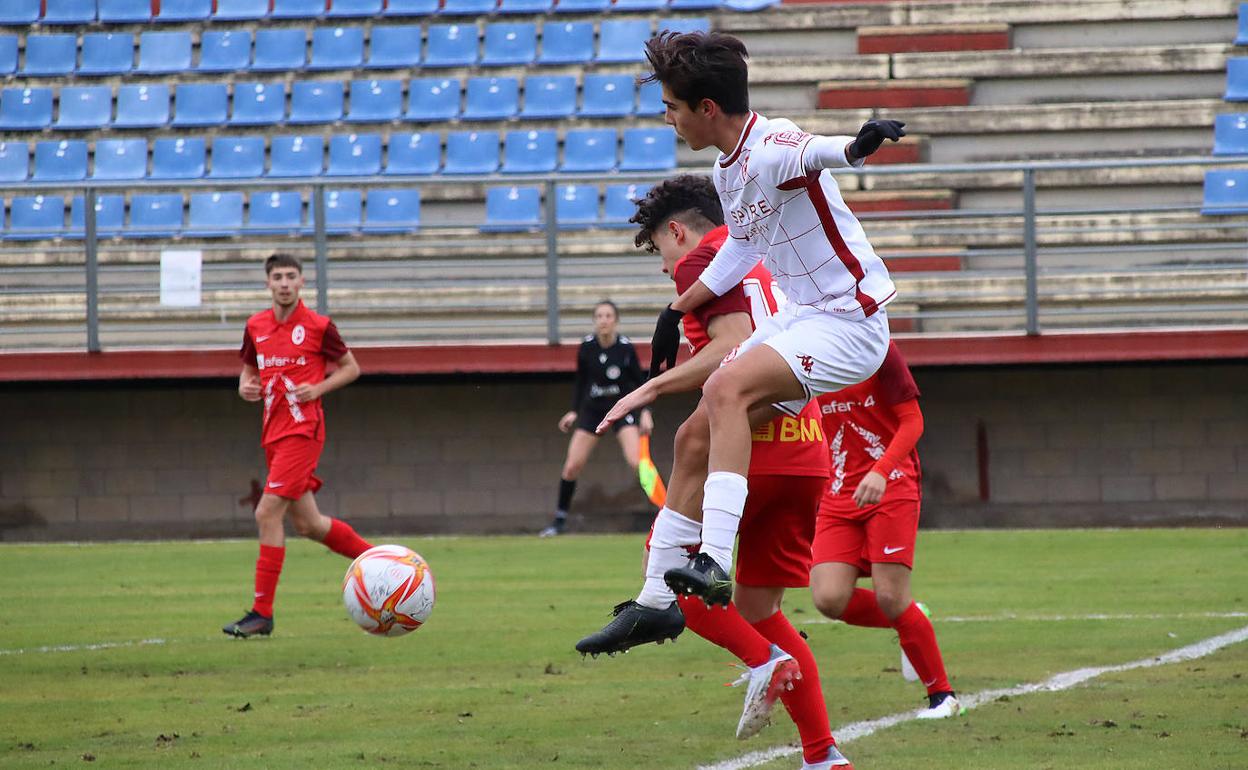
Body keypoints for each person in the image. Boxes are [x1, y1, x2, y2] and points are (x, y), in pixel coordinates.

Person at [598, 31, 905, 608]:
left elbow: (811, 151)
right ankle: (655, 603)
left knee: (726, 386)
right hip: (800, 316)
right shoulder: (726, 170)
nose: (669, 119)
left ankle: (713, 558)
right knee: (696, 428)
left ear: (706, 109)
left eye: (671, 107)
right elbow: (741, 248)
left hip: (849, 323)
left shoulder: (770, 146)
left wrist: (857, 147)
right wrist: (677, 308)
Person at [575, 176, 852, 770]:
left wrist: (644, 388)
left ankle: (764, 664)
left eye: (658, 248)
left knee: (682, 580)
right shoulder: (764, 250)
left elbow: (736, 346)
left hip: (747, 452)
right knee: (759, 611)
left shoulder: (704, 257)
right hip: (805, 447)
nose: (664, 267)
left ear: (677, 229)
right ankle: (823, 755)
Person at [222, 253, 374, 638]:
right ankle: (382, 561)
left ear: (302, 282)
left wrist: (317, 389)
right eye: (278, 277)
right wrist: (244, 387)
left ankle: (261, 613)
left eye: (291, 276)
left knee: (266, 513)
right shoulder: (255, 326)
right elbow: (248, 372)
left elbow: (352, 368)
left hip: (303, 432)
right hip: (272, 432)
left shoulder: (320, 326)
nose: (285, 283)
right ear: (268, 284)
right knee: (309, 524)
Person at [810, 342, 963, 719]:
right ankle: (914, 619)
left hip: (891, 485)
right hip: (838, 493)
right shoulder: (801, 354)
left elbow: (913, 421)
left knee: (890, 596)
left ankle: (942, 697)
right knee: (829, 598)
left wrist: (880, 470)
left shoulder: (877, 349)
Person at [540, 301, 654, 537]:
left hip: (621, 411)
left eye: (608, 315)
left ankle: (664, 512)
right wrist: (574, 411)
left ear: (616, 320)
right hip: (593, 411)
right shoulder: (587, 347)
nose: (604, 320)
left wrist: (645, 412)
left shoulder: (624, 348)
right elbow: (581, 382)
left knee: (638, 462)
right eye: (599, 316)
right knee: (572, 466)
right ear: (595, 320)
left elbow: (641, 383)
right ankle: (559, 521)